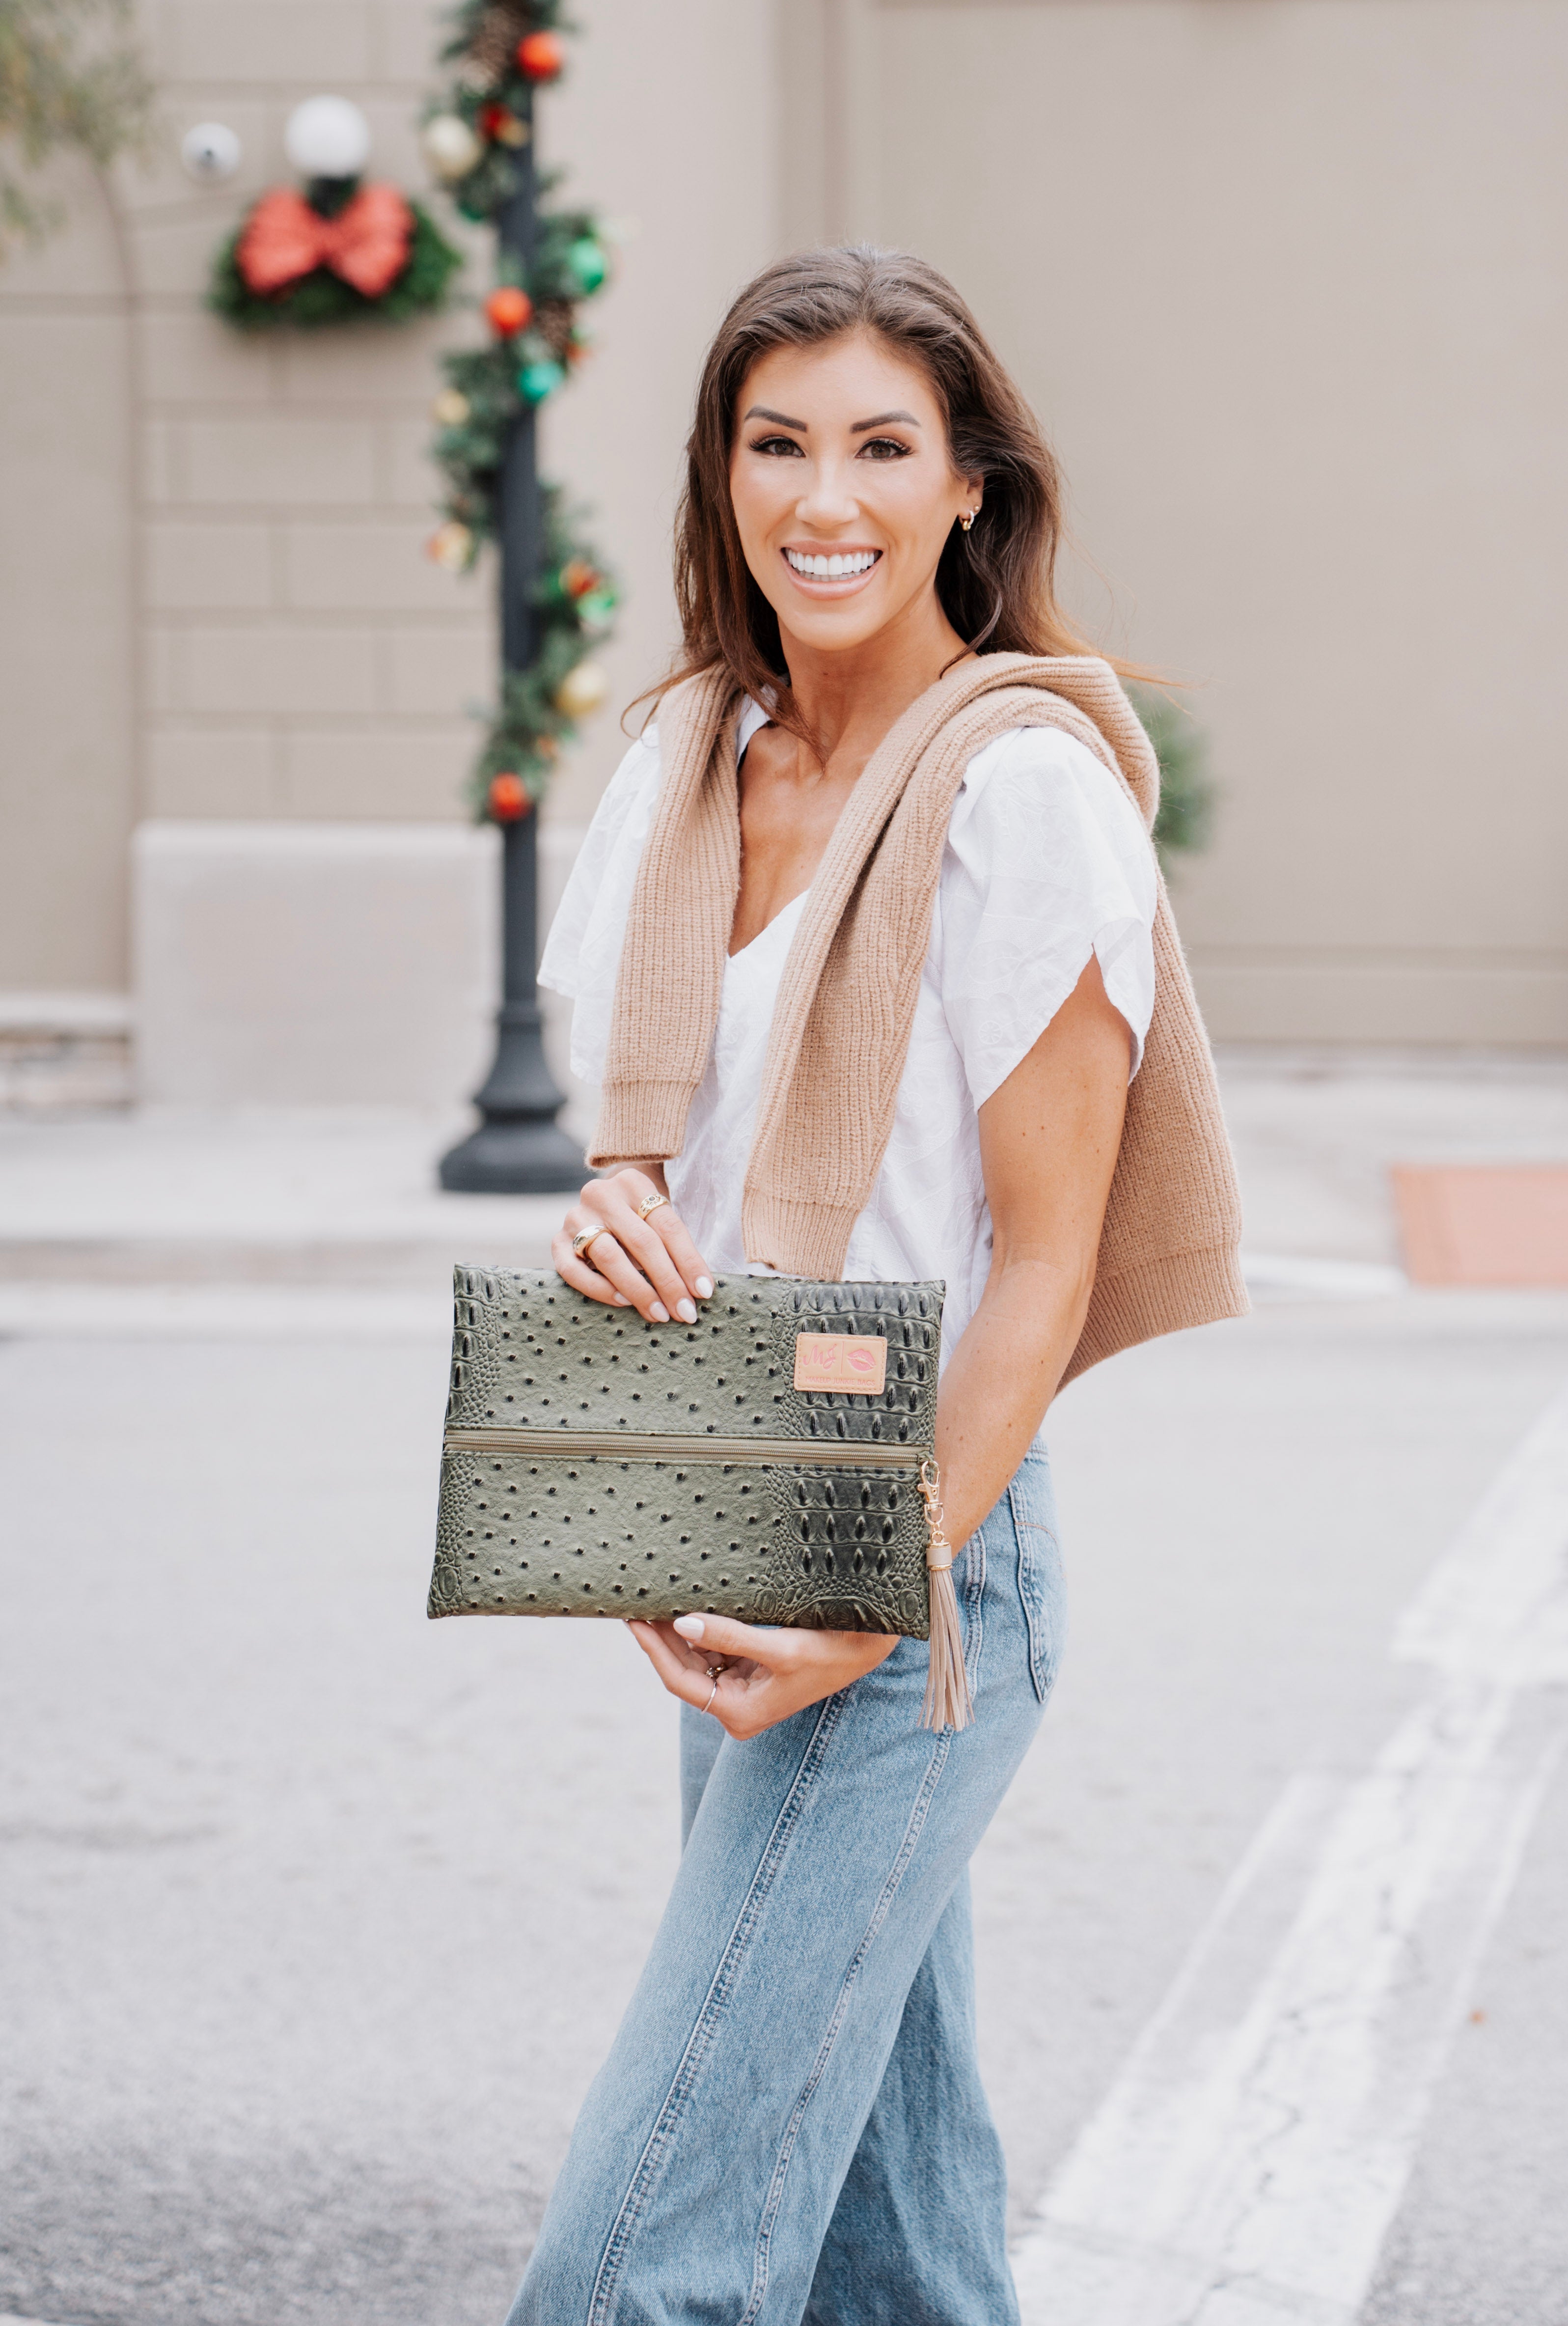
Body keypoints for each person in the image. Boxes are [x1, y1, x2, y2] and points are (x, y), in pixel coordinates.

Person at [509, 246, 1244, 2326]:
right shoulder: (682, 765)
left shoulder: (1021, 793)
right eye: (776, 443)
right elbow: (654, 1158)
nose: (822, 498)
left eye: (879, 447)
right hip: (722, 1490)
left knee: (645, 2250)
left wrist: (874, 1570)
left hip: (914, 1562)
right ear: (720, 478)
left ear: (967, 492)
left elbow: (1049, 1250)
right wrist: (612, 1207)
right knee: (878, 2238)